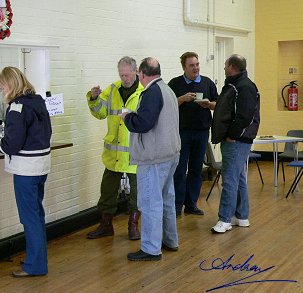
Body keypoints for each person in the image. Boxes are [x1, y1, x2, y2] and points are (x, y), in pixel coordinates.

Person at [0, 66, 52, 277]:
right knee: (36, 214)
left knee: (29, 217)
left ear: (10, 85)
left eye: (2, 87)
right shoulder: (37, 101)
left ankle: (35, 265)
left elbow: (12, 143)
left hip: (26, 170)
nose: (1, 92)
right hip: (41, 166)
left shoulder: (17, 107)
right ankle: (35, 258)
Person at [121, 57, 181, 261]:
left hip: (154, 157)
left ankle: (150, 248)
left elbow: (143, 123)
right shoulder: (167, 89)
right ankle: (170, 240)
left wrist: (127, 117)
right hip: (170, 154)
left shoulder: (151, 92)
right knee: (166, 199)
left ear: (142, 74)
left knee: (150, 203)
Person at [86, 56, 144, 240]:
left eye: (127, 75)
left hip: (135, 153)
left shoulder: (144, 92)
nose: (125, 78)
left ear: (136, 71)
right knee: (107, 191)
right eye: (121, 75)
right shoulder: (112, 90)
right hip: (113, 154)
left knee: (137, 194)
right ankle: (106, 225)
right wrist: (94, 98)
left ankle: (133, 225)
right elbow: (100, 114)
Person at [210, 54, 260, 233]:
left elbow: (244, 116)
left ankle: (224, 220)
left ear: (231, 66)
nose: (224, 67)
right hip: (237, 140)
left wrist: (232, 135)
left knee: (229, 180)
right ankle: (241, 216)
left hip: (237, 141)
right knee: (238, 178)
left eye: (225, 65)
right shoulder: (237, 85)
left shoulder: (244, 87)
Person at [168, 52, 218, 217]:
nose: (196, 68)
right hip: (181, 133)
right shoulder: (175, 83)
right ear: (184, 67)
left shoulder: (207, 83)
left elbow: (218, 104)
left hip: (202, 132)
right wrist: (181, 99)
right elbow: (166, 106)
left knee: (196, 169)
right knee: (180, 170)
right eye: (192, 65)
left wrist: (208, 104)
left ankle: (191, 204)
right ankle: (176, 206)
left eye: (197, 64)